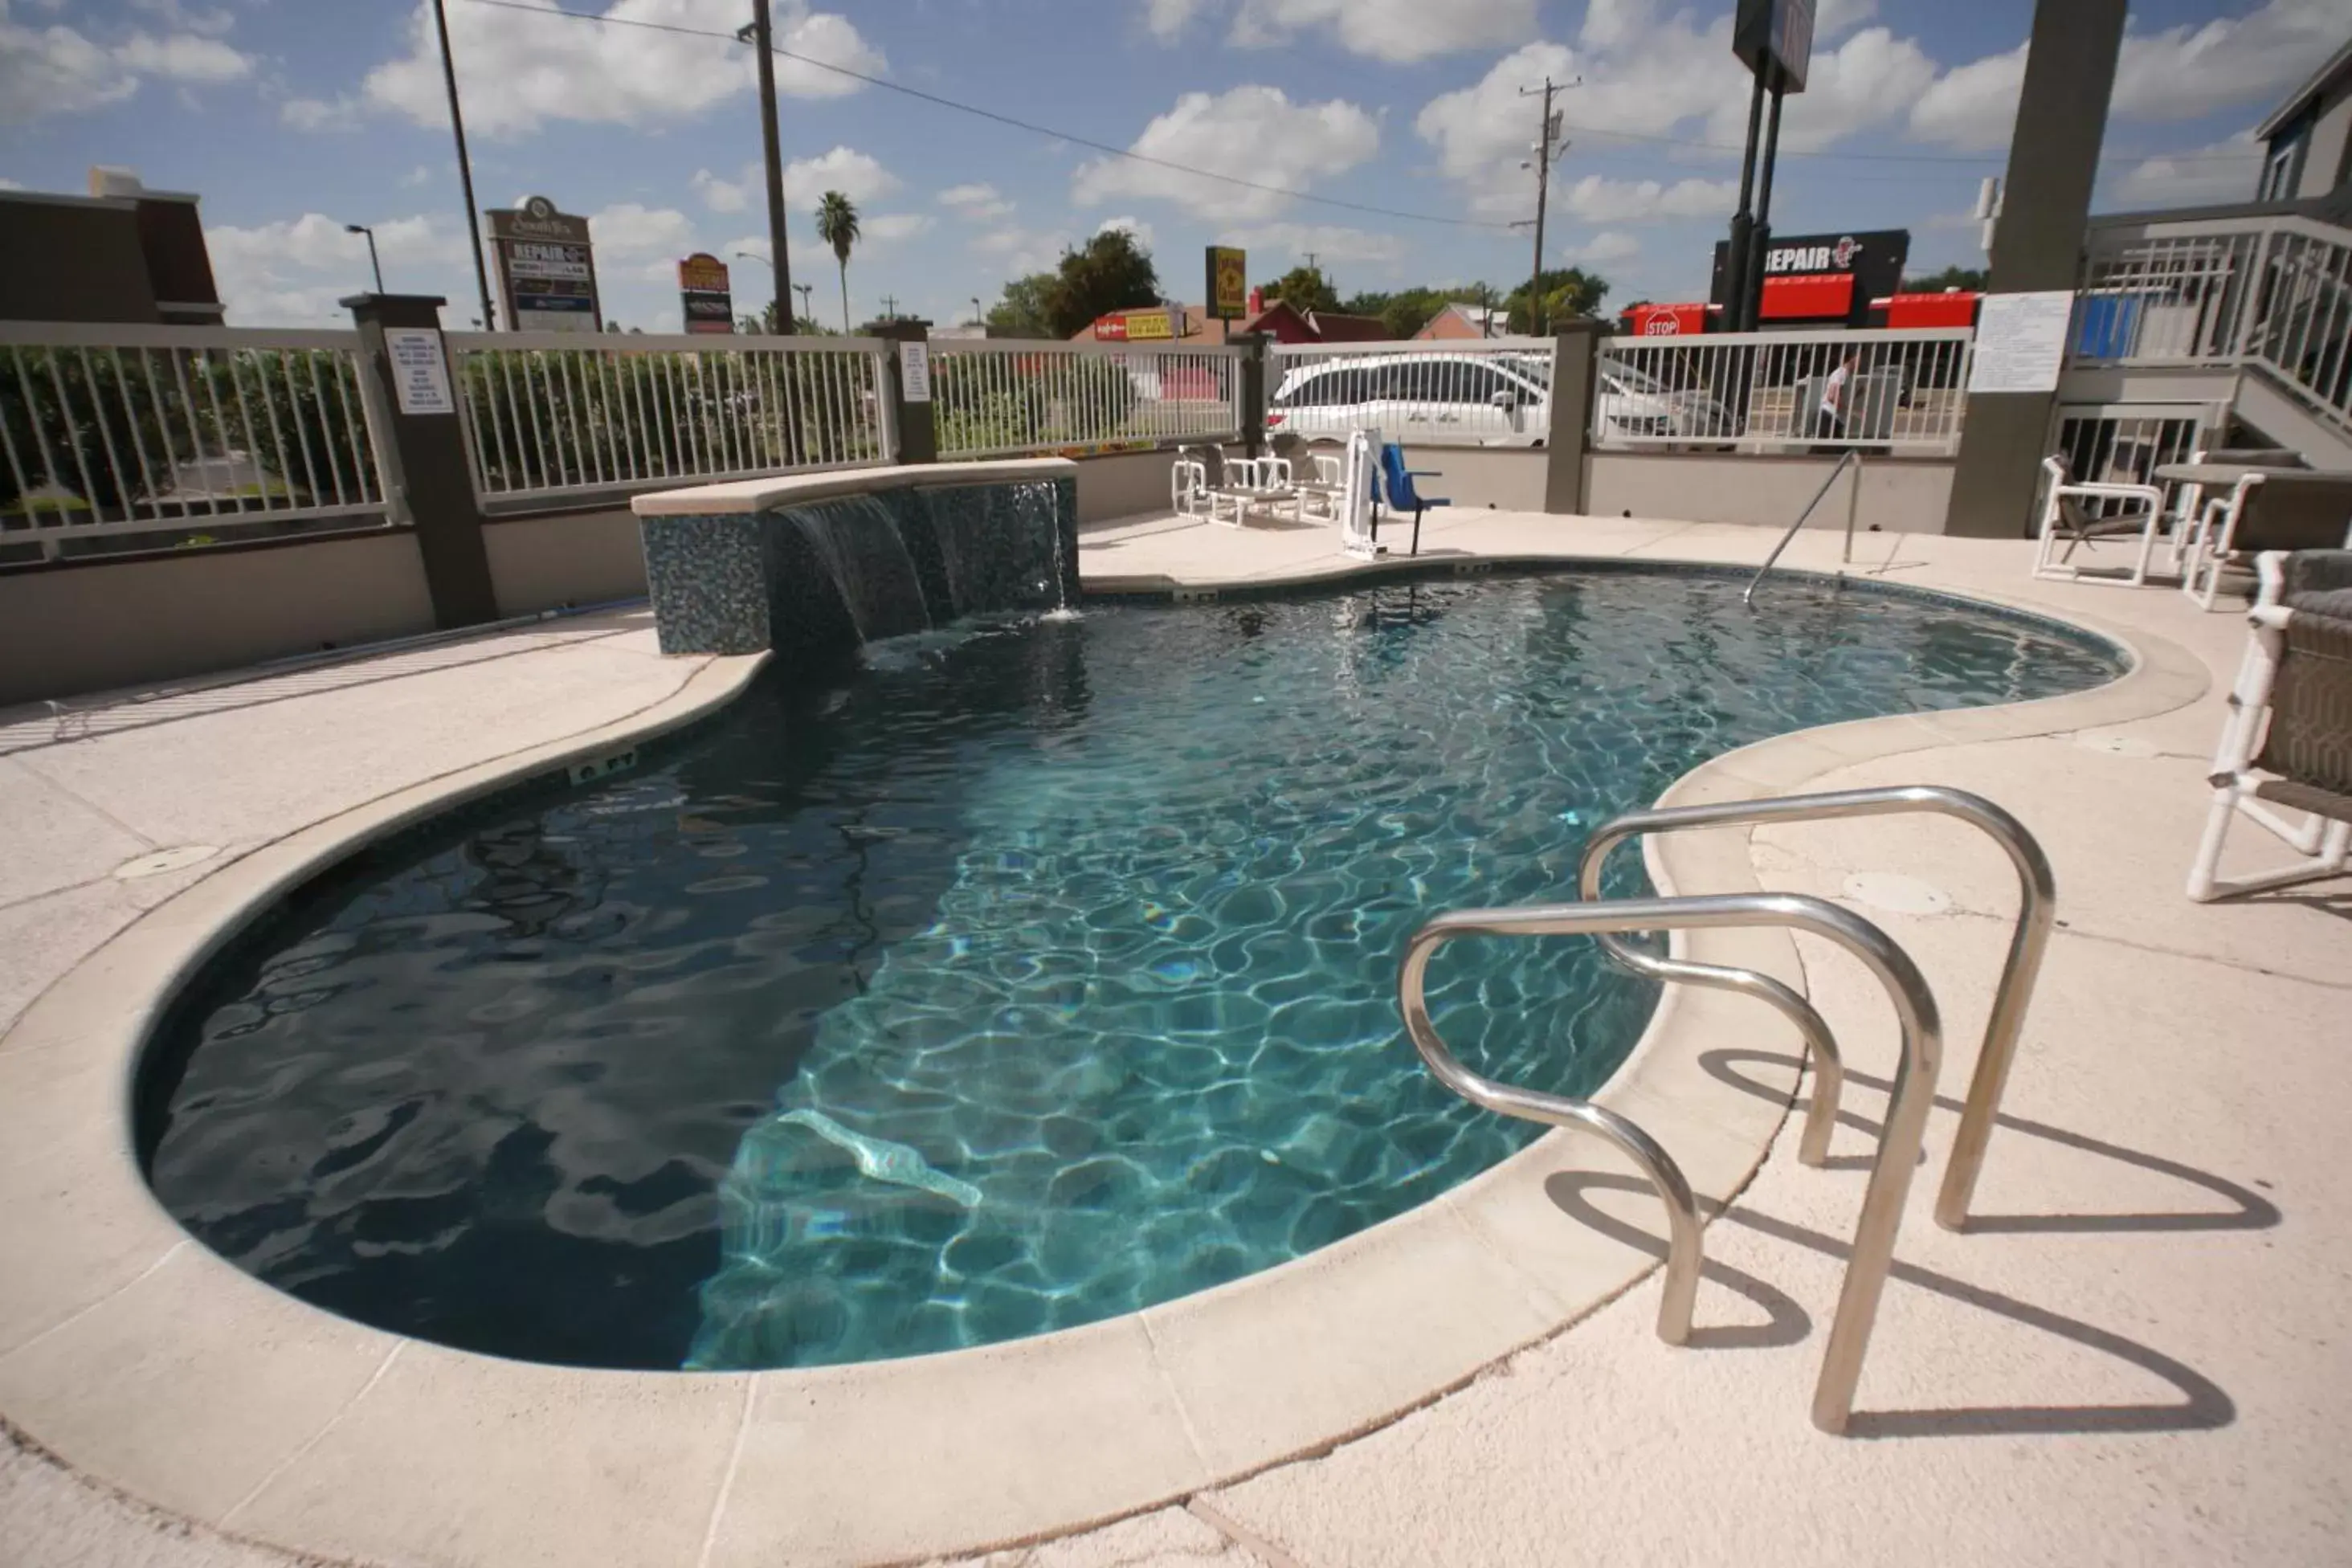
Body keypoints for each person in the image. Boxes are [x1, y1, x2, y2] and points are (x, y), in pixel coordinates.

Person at [1815, 348, 1860, 442]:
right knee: (1835, 450)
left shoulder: (1848, 376)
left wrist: (1860, 392)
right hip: (1828, 418)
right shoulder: (1840, 373)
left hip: (1834, 420)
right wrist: (1852, 411)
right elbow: (1832, 397)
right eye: (1858, 359)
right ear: (1852, 359)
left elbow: (1844, 398)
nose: (1860, 363)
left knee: (1828, 451)